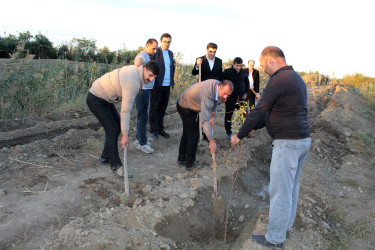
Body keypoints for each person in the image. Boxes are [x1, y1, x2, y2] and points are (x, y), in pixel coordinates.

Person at [231, 46, 311, 248]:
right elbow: (270, 115)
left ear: (272, 61)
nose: (262, 68)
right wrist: (253, 129)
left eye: (263, 63)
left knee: (280, 192)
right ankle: (285, 228)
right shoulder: (296, 78)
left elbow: (259, 111)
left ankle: (275, 238)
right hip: (302, 141)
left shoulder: (279, 80)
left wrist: (239, 135)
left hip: (288, 144)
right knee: (291, 188)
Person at [86, 61, 160, 176]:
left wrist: (124, 131)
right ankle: (116, 166)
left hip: (105, 99)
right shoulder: (133, 80)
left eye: (154, 77)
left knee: (116, 127)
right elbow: (125, 110)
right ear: (144, 69)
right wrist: (125, 135)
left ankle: (105, 157)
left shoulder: (137, 74)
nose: (151, 79)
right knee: (112, 129)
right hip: (96, 98)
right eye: (150, 76)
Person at [177, 79, 233, 171]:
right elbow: (204, 121)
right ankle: (190, 165)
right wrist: (211, 140)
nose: (225, 98)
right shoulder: (207, 96)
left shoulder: (216, 86)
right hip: (184, 105)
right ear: (219, 87)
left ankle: (181, 159)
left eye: (228, 95)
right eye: (224, 93)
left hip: (192, 104)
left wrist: (213, 115)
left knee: (188, 132)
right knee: (193, 135)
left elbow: (215, 100)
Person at [133, 38, 158, 154]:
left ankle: (140, 139)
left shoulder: (148, 56)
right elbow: (138, 61)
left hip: (145, 91)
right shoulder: (143, 54)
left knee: (142, 117)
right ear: (147, 46)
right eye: (153, 48)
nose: (155, 51)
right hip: (142, 91)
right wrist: (139, 66)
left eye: (156, 49)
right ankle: (142, 143)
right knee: (142, 117)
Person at [149, 33, 175, 140]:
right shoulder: (156, 53)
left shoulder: (170, 53)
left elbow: (171, 68)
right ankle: (153, 130)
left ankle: (160, 129)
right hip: (157, 85)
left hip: (167, 85)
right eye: (165, 41)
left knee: (162, 108)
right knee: (154, 108)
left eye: (168, 42)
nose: (167, 44)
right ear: (161, 41)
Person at [223, 57, 249, 139]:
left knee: (244, 114)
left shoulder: (243, 72)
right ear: (233, 64)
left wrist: (246, 93)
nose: (238, 67)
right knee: (228, 116)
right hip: (230, 98)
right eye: (237, 65)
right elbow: (222, 83)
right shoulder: (227, 72)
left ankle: (245, 132)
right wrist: (224, 95)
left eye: (240, 65)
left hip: (241, 98)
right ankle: (228, 133)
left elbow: (247, 83)